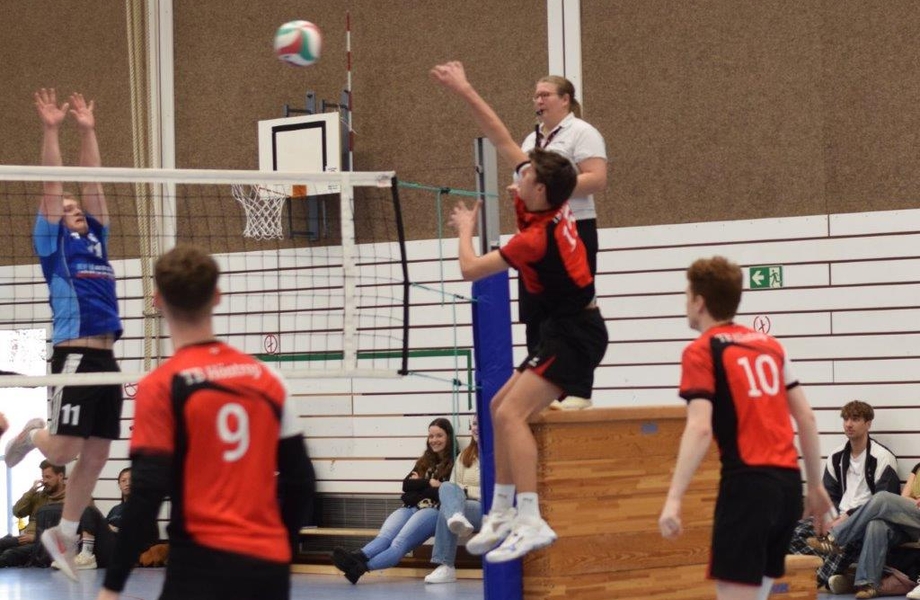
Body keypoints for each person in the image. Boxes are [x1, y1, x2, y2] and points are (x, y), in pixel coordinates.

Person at [430, 61, 608, 563]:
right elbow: (502, 137)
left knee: (511, 413)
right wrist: (465, 88)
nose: (516, 178)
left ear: (540, 190)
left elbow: (470, 269)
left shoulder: (535, 238)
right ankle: (503, 510)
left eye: (524, 175)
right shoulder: (551, 199)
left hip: (575, 334)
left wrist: (466, 228)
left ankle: (530, 518)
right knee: (496, 408)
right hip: (562, 328)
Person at [94, 244, 315, 600]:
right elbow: (301, 480)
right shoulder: (268, 379)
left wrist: (112, 585)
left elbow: (146, 494)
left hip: (199, 565)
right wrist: (281, 548)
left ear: (157, 301)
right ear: (217, 296)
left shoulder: (162, 386)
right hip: (267, 567)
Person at [657, 256, 834, 600]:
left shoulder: (701, 351)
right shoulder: (771, 346)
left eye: (687, 296)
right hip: (787, 487)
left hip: (747, 486)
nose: (686, 304)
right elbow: (806, 418)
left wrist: (674, 498)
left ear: (699, 302)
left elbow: (700, 428)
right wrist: (814, 485)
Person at [4, 88, 124, 581]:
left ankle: (66, 532)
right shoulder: (52, 247)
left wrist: (88, 130)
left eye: (77, 206)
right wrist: (52, 129)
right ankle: (33, 431)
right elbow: (53, 184)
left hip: (108, 359)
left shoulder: (97, 238)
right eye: (66, 206)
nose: (74, 206)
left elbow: (92, 181)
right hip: (73, 355)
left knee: (97, 454)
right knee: (62, 451)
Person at [520, 75, 607, 410]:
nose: (538, 100)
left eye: (545, 94)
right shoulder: (531, 139)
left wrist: (551, 188)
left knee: (573, 311)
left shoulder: (582, 133)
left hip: (574, 229)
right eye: (536, 95)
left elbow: (596, 179)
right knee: (536, 312)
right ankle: (539, 391)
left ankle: (578, 390)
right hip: (538, 234)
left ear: (565, 99)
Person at [787, 400, 899, 590]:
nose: (848, 424)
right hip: (837, 519)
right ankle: (829, 573)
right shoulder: (836, 456)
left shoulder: (883, 457)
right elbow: (829, 493)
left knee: (844, 542)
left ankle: (815, 580)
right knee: (793, 531)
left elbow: (885, 501)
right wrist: (830, 518)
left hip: (863, 522)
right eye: (846, 419)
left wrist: (848, 517)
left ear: (868, 423)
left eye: (855, 419)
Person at [332, 418, 455, 584]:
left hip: (433, 512)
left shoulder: (455, 462)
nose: (434, 440)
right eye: (431, 436)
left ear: (449, 437)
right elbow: (406, 488)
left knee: (398, 544)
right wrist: (429, 483)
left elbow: (442, 494)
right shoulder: (425, 460)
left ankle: (360, 568)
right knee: (384, 537)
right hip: (410, 507)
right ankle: (355, 558)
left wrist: (419, 486)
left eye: (439, 435)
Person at [425, 415, 482, 584]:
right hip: (466, 508)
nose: (476, 428)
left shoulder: (500, 454)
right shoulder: (465, 455)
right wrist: (461, 491)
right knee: (446, 487)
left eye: (481, 423)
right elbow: (452, 487)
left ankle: (446, 565)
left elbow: (491, 491)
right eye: (474, 424)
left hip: (490, 510)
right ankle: (456, 516)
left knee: (448, 508)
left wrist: (465, 490)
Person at [0, 460, 66, 567]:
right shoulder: (39, 496)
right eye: (43, 477)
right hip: (24, 539)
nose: (44, 481)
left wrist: (36, 537)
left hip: (42, 544)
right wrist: (31, 491)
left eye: (48, 477)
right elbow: (17, 512)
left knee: (9, 555)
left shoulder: (69, 499)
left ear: (60, 476)